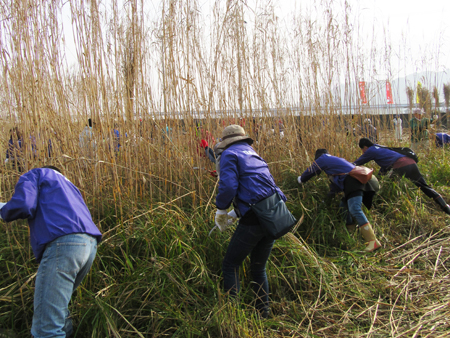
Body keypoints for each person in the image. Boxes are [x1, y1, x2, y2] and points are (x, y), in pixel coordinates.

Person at [0, 166, 102, 337]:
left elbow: (24, 204)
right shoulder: (70, 187)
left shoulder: (37, 173)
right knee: (59, 313)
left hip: (64, 245)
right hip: (89, 245)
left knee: (46, 328)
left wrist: (3, 210)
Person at [214, 124, 286, 318]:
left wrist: (221, 209)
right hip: (271, 215)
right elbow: (265, 187)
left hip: (254, 218)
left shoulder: (229, 155)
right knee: (258, 267)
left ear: (226, 142)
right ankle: (264, 312)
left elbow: (228, 186)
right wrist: (237, 213)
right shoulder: (252, 153)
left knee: (230, 265)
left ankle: (233, 315)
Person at [298, 149, 381, 252]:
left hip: (354, 183)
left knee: (354, 209)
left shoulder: (324, 158)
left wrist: (301, 179)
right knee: (343, 207)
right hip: (354, 184)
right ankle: (351, 235)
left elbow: (311, 170)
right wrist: (325, 201)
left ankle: (373, 241)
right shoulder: (334, 165)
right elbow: (334, 189)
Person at [355, 138, 450, 215]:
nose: (363, 152)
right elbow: (385, 167)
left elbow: (358, 162)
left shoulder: (370, 151)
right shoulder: (379, 147)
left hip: (400, 166)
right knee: (424, 186)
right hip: (410, 162)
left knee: (388, 187)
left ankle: (381, 208)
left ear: (365, 147)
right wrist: (379, 177)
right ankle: (445, 207)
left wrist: (346, 166)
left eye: (362, 149)